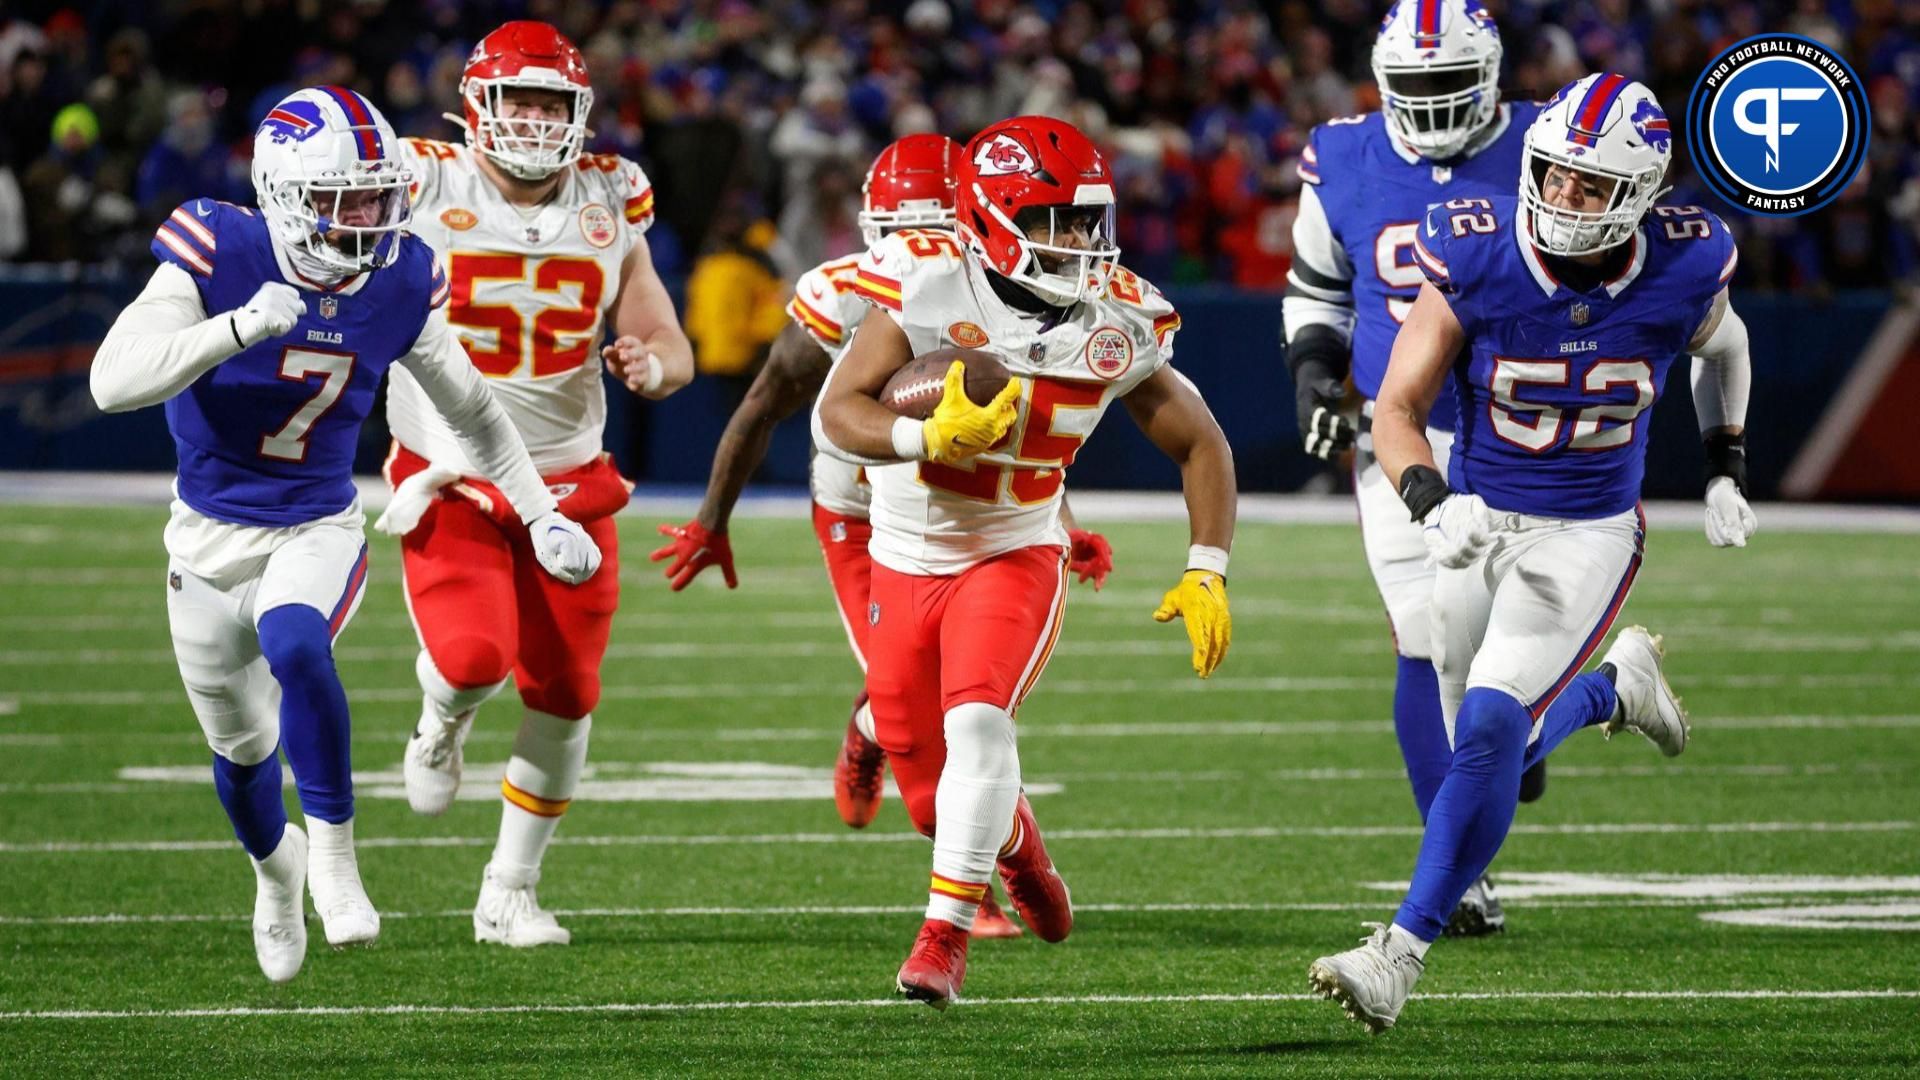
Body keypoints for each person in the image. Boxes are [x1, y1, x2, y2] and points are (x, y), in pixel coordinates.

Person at [86, 86, 601, 984]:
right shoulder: (217, 245)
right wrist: (237, 326)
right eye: (343, 198)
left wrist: (541, 510)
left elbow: (473, 411)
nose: (367, 217)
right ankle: (275, 869)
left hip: (316, 520)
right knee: (242, 758)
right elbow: (112, 382)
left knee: (296, 643)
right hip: (205, 535)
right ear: (284, 190)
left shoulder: (401, 276)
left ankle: (333, 855)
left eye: (376, 194)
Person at [1307, 74, 1756, 1032]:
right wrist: (1430, 504)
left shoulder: (1684, 263)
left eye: (1590, 187)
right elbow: (1396, 405)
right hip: (1477, 516)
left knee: (1487, 730)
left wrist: (1726, 466)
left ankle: (1398, 956)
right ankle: (1613, 690)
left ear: (1639, 192)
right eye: (1551, 175)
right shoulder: (1477, 251)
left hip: (1588, 531)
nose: (1561, 198)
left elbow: (1729, 348)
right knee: (1486, 740)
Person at [814, 116, 1236, 1008]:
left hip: (1014, 549)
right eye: (1054, 222)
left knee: (978, 726)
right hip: (901, 551)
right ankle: (1021, 852)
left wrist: (1207, 566)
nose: (1080, 244)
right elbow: (835, 411)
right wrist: (917, 432)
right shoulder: (927, 283)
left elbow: (1201, 443)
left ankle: (943, 937)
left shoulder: (1119, 318)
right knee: (916, 752)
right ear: (992, 217)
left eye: (1088, 222)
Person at [653, 133, 1111, 939]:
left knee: (968, 710)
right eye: (899, 231)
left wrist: (1060, 523)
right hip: (866, 517)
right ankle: (963, 851)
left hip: (971, 522)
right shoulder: (841, 294)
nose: (916, 249)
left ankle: (943, 846)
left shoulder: (1004, 289)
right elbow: (763, 404)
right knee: (928, 718)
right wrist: (711, 519)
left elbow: (1017, 442)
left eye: (930, 227)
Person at [376, 20, 694, 949]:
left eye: (549, 102)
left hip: (569, 483)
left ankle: (508, 890)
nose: (530, 119)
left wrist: (657, 368)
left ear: (579, 111)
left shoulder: (610, 196)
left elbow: (668, 339)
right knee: (474, 659)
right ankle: (440, 723)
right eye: (516, 99)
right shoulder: (423, 178)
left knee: (567, 692)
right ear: (477, 103)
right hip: (455, 474)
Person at [1284, 0, 1545, 937]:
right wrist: (1316, 372)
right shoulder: (1345, 154)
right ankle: (1460, 871)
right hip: (1404, 431)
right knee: (1423, 634)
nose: (1432, 105)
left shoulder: (1545, 143)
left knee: (1522, 640)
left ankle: (1547, 711)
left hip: (1524, 423)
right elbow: (1317, 287)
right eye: (1416, 86)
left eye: (1450, 84)